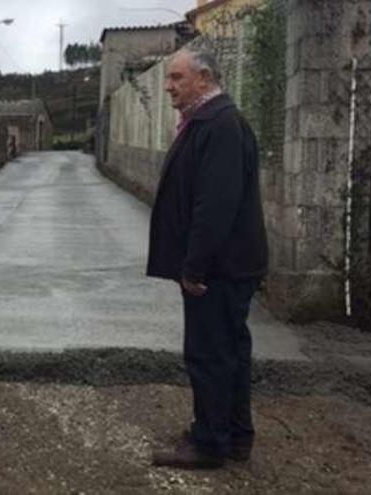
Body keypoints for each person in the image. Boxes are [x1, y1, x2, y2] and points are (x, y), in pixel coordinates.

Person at [147, 48, 268, 469]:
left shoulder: (218, 125)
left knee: (209, 353)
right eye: (168, 78)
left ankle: (210, 443)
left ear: (203, 77)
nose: (168, 87)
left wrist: (195, 267)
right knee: (229, 351)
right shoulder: (212, 122)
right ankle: (233, 435)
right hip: (229, 265)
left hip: (218, 269)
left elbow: (215, 205)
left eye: (177, 78)